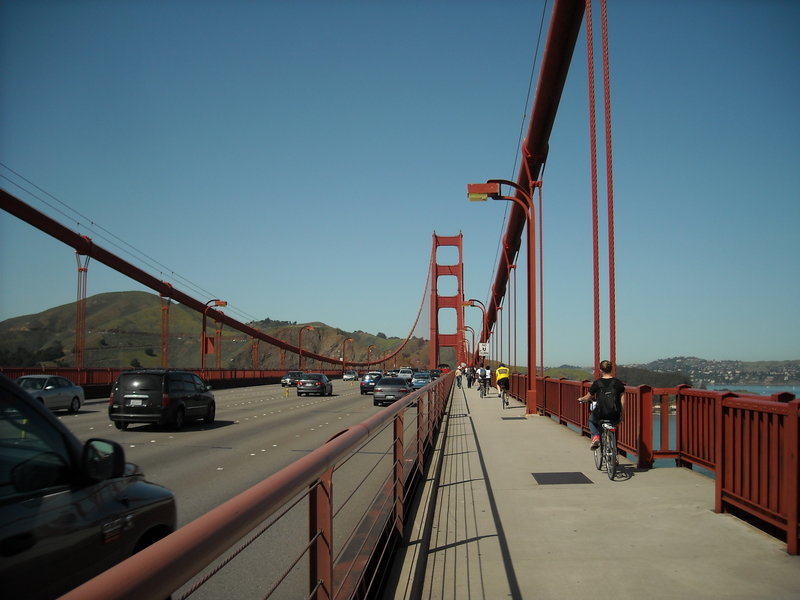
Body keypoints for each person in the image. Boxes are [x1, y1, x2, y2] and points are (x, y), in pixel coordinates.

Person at [578, 359, 625, 449]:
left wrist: (581, 399)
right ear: (611, 369)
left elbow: (588, 397)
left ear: (600, 370)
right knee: (614, 425)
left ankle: (596, 436)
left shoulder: (597, 383)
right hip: (615, 413)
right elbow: (622, 401)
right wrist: (622, 415)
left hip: (601, 413)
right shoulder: (618, 383)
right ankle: (614, 454)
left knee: (591, 419)